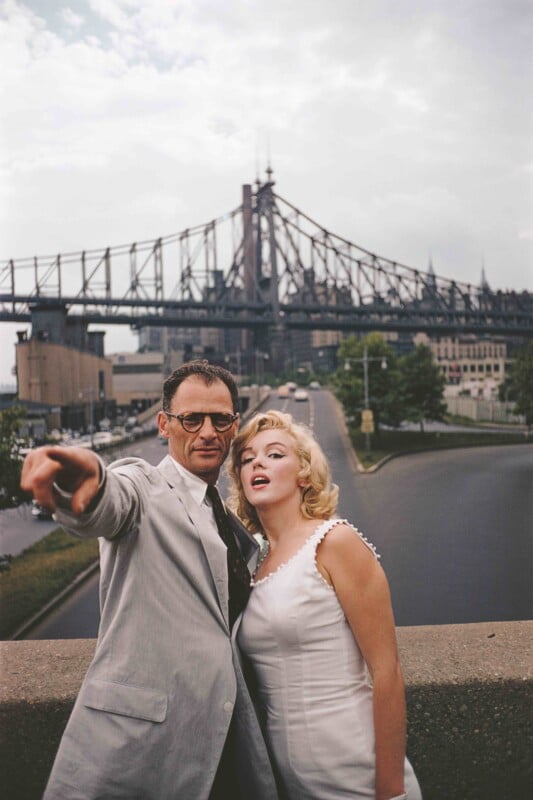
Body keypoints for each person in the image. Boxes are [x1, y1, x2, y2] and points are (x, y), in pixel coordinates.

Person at [20, 360, 279, 800]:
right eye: (191, 419)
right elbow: (113, 502)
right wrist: (87, 482)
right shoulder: (145, 488)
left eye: (220, 419)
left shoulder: (225, 519)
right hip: (137, 755)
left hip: (217, 750)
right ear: (164, 425)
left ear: (234, 426)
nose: (207, 432)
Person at [227, 410, 422, 800]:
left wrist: (391, 792)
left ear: (304, 473)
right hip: (291, 785)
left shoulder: (334, 542)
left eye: (275, 454)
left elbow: (387, 672)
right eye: (247, 459)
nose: (257, 463)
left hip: (357, 775)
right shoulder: (252, 562)